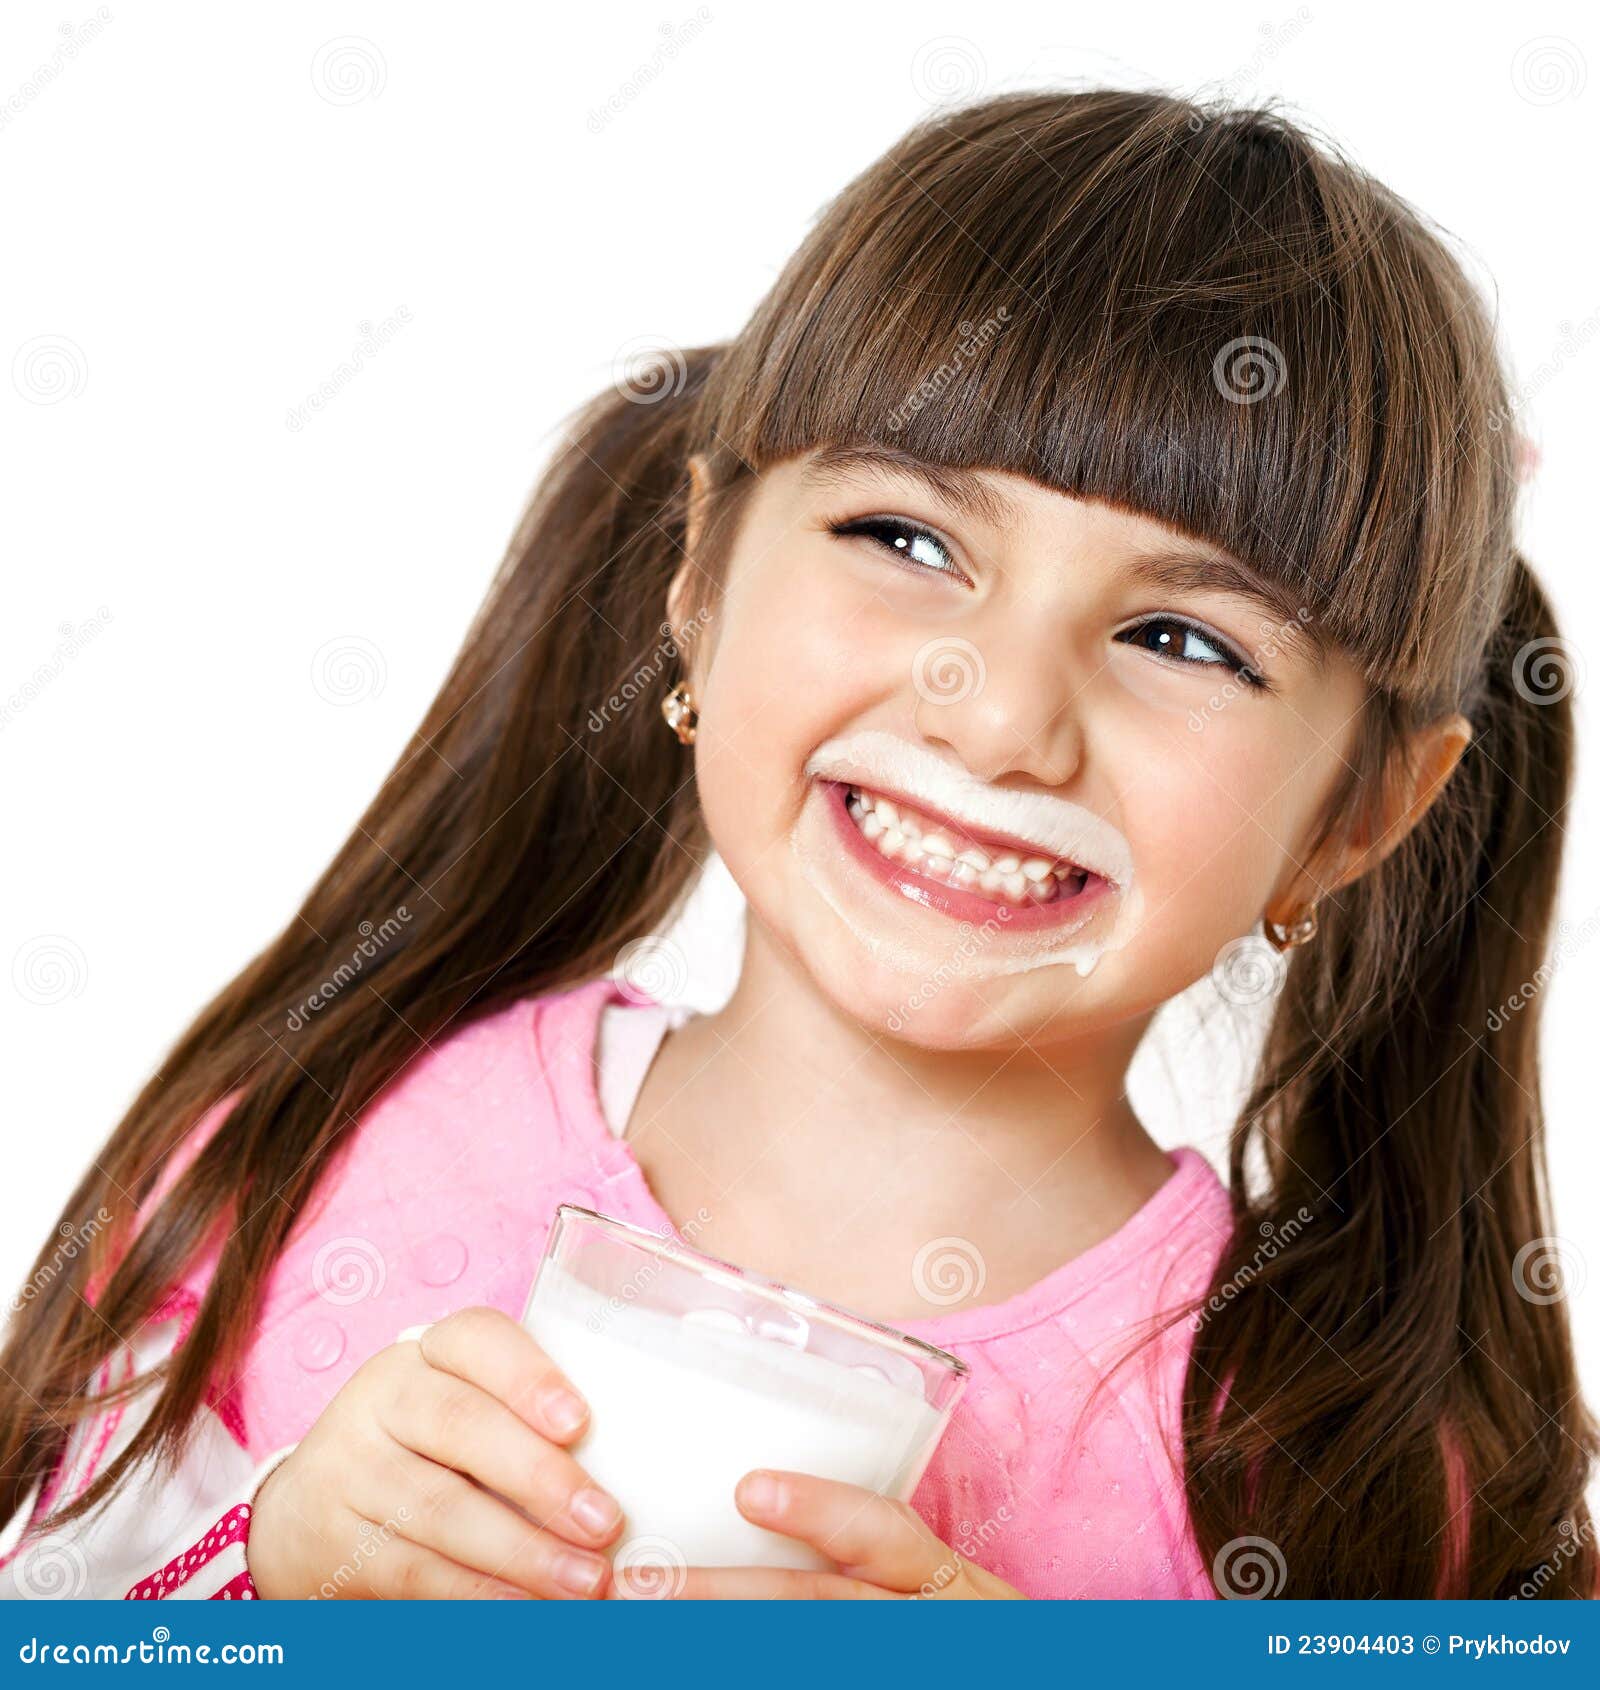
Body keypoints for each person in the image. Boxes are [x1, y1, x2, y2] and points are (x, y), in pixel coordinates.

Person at [2, 87, 1593, 1602]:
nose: (997, 717)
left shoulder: (1337, 1469)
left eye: (1183, 638)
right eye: (906, 538)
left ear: (1357, 813)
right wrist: (268, 1567)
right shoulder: (316, 1148)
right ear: (700, 579)